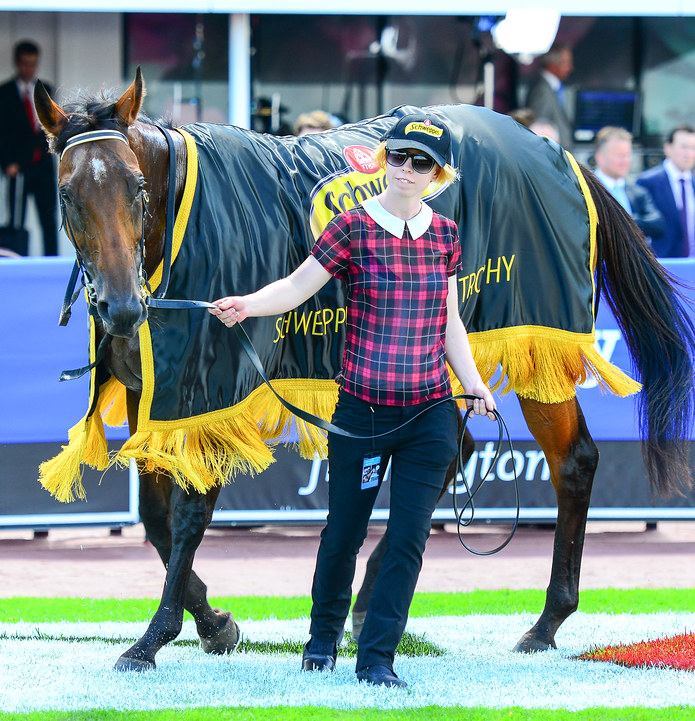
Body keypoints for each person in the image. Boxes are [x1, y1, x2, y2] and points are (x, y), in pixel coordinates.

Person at [210, 114, 496, 688]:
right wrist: (247, 304)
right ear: (384, 159)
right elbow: (296, 287)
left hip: (431, 414)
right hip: (361, 412)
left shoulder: (445, 234)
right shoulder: (351, 227)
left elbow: (450, 323)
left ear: (438, 174)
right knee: (343, 532)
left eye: (422, 163)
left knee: (408, 541)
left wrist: (475, 384)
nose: (407, 171)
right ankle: (322, 642)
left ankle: (378, 659)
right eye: (399, 158)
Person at [0, 40, 58, 256]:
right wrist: (7, 163)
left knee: (49, 219)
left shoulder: (45, 89)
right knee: (16, 221)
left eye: (34, 64)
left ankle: (51, 263)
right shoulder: (4, 92)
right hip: (17, 166)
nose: (29, 69)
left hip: (43, 166)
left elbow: (53, 126)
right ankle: (15, 260)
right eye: (26, 64)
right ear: (17, 63)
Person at [636, 124, 695, 257]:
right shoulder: (648, 182)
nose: (689, 153)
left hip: (692, 263)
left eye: (694, 148)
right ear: (668, 148)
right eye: (684, 147)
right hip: (660, 265)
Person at [592, 126, 665, 240]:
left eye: (628, 155)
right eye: (619, 155)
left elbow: (658, 224)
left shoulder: (638, 192)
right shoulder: (586, 190)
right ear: (600, 157)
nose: (625, 161)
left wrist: (628, 221)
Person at [524, 43, 574, 148]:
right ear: (552, 64)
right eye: (566, 63)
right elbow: (538, 129)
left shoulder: (551, 88)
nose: (570, 68)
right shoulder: (541, 91)